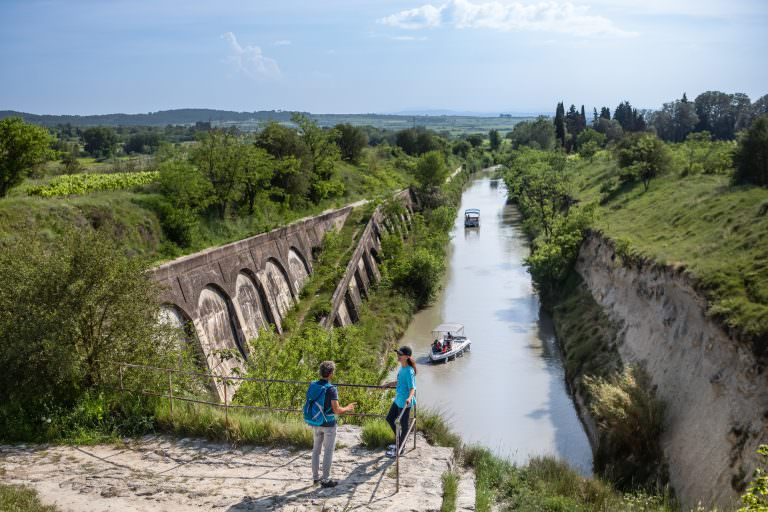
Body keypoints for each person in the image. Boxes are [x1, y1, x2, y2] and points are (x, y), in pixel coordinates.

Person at [307, 361, 356, 488]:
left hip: (315, 421)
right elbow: (336, 410)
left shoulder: (313, 385)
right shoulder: (331, 389)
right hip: (328, 424)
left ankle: (315, 478)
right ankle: (326, 479)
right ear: (331, 373)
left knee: (316, 450)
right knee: (328, 451)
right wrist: (348, 408)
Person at [384, 346, 417, 458]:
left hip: (405, 403)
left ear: (407, 357)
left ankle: (400, 448)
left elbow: (412, 388)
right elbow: (399, 382)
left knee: (404, 426)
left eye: (400, 354)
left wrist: (409, 398)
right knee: (389, 419)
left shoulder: (409, 371)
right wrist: (388, 384)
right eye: (398, 353)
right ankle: (399, 442)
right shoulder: (402, 368)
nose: (398, 355)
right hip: (398, 400)